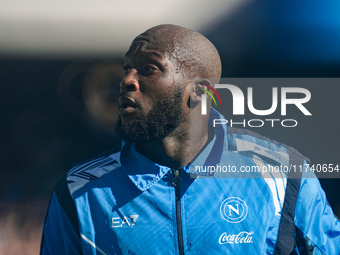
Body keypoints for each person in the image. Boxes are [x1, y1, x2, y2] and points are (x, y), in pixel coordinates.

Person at [40, 24, 340, 255]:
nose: (127, 80)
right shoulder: (79, 191)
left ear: (200, 91)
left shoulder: (283, 172)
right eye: (127, 68)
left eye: (148, 68)